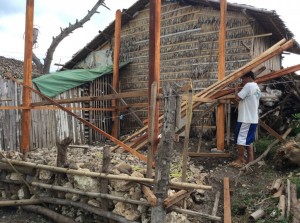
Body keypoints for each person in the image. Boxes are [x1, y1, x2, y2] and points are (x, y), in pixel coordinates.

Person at [229, 71, 261, 167]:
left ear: (248, 77)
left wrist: (236, 90)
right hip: (252, 119)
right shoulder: (256, 87)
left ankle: (241, 159)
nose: (242, 81)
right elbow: (246, 101)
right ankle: (250, 160)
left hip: (245, 119)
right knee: (248, 140)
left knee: (240, 139)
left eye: (243, 78)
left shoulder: (248, 86)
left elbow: (238, 98)